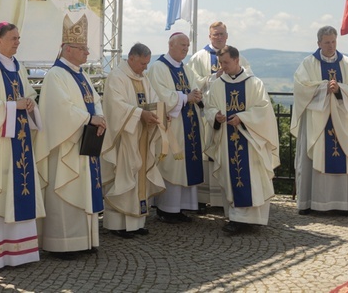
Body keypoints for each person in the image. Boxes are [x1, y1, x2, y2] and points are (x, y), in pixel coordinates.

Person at [0, 22, 44, 269]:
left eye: (18, 38)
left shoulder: (17, 66)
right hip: (0, 143)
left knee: (20, 188)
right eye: (13, 38)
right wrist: (16, 106)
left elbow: (29, 96)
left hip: (20, 139)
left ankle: (21, 252)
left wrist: (30, 104)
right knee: (0, 193)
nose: (17, 42)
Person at [35, 14, 105, 259]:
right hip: (67, 144)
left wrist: (99, 117)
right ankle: (63, 243)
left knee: (85, 190)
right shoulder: (56, 74)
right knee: (67, 191)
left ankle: (86, 240)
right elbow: (59, 109)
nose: (87, 53)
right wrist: (88, 119)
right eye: (83, 48)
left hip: (85, 143)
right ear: (68, 49)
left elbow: (95, 101)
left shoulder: (81, 74)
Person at [204, 46, 279, 235]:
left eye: (227, 63)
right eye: (221, 63)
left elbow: (263, 110)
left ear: (237, 61)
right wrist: (216, 116)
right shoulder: (218, 84)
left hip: (250, 141)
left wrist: (243, 118)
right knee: (232, 177)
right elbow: (209, 107)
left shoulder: (254, 84)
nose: (223, 67)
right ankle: (236, 219)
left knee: (251, 178)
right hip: (226, 140)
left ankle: (252, 219)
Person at [291, 26, 348, 216]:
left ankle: (343, 204)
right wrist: (324, 88)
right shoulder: (308, 64)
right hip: (316, 121)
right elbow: (300, 88)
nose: (331, 46)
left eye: (333, 42)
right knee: (313, 158)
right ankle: (309, 202)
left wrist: (340, 89)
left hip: (341, 119)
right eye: (327, 43)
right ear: (319, 43)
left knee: (341, 158)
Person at [100, 43, 165, 238]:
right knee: (125, 176)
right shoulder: (116, 77)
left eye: (147, 64)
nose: (145, 68)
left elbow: (153, 100)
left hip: (142, 137)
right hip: (125, 137)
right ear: (132, 58)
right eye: (143, 63)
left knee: (140, 177)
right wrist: (140, 114)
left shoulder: (143, 78)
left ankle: (137, 221)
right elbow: (115, 106)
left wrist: (160, 113)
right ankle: (117, 224)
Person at [187, 21, 251, 210]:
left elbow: (248, 78)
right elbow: (192, 82)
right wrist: (213, 77)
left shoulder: (238, 56)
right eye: (216, 34)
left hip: (232, 116)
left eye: (222, 34)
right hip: (207, 114)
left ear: (227, 35)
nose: (219, 37)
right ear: (210, 36)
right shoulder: (199, 58)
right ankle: (205, 198)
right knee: (207, 152)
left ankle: (224, 198)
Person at [147, 32, 205, 224]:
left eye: (187, 46)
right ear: (170, 45)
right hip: (172, 127)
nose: (185, 49)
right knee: (172, 164)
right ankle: (166, 208)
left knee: (185, 166)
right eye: (182, 45)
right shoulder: (158, 68)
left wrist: (196, 95)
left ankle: (181, 207)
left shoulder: (186, 69)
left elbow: (194, 87)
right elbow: (160, 95)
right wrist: (184, 98)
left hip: (189, 126)